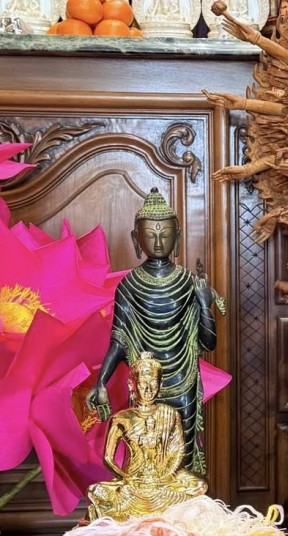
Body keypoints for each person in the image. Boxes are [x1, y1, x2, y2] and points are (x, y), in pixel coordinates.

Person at [87, 188, 222, 474]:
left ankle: (179, 500)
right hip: (145, 385)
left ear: (178, 237)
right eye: (150, 235)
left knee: (181, 459)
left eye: (166, 235)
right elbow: (119, 341)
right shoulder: (129, 286)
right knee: (146, 454)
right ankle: (149, 495)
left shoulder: (188, 282)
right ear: (136, 239)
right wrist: (101, 382)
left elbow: (208, 344)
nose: (159, 242)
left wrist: (203, 303)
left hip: (183, 380)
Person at [87, 352, 206, 519]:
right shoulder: (121, 418)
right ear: (132, 385)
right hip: (133, 482)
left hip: (163, 481)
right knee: (96, 491)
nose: (148, 389)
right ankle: (141, 507)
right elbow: (108, 458)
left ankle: (140, 509)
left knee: (199, 486)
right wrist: (127, 478)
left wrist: (165, 477)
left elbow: (177, 451)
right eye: (143, 383)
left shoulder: (170, 414)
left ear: (160, 384)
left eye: (153, 382)